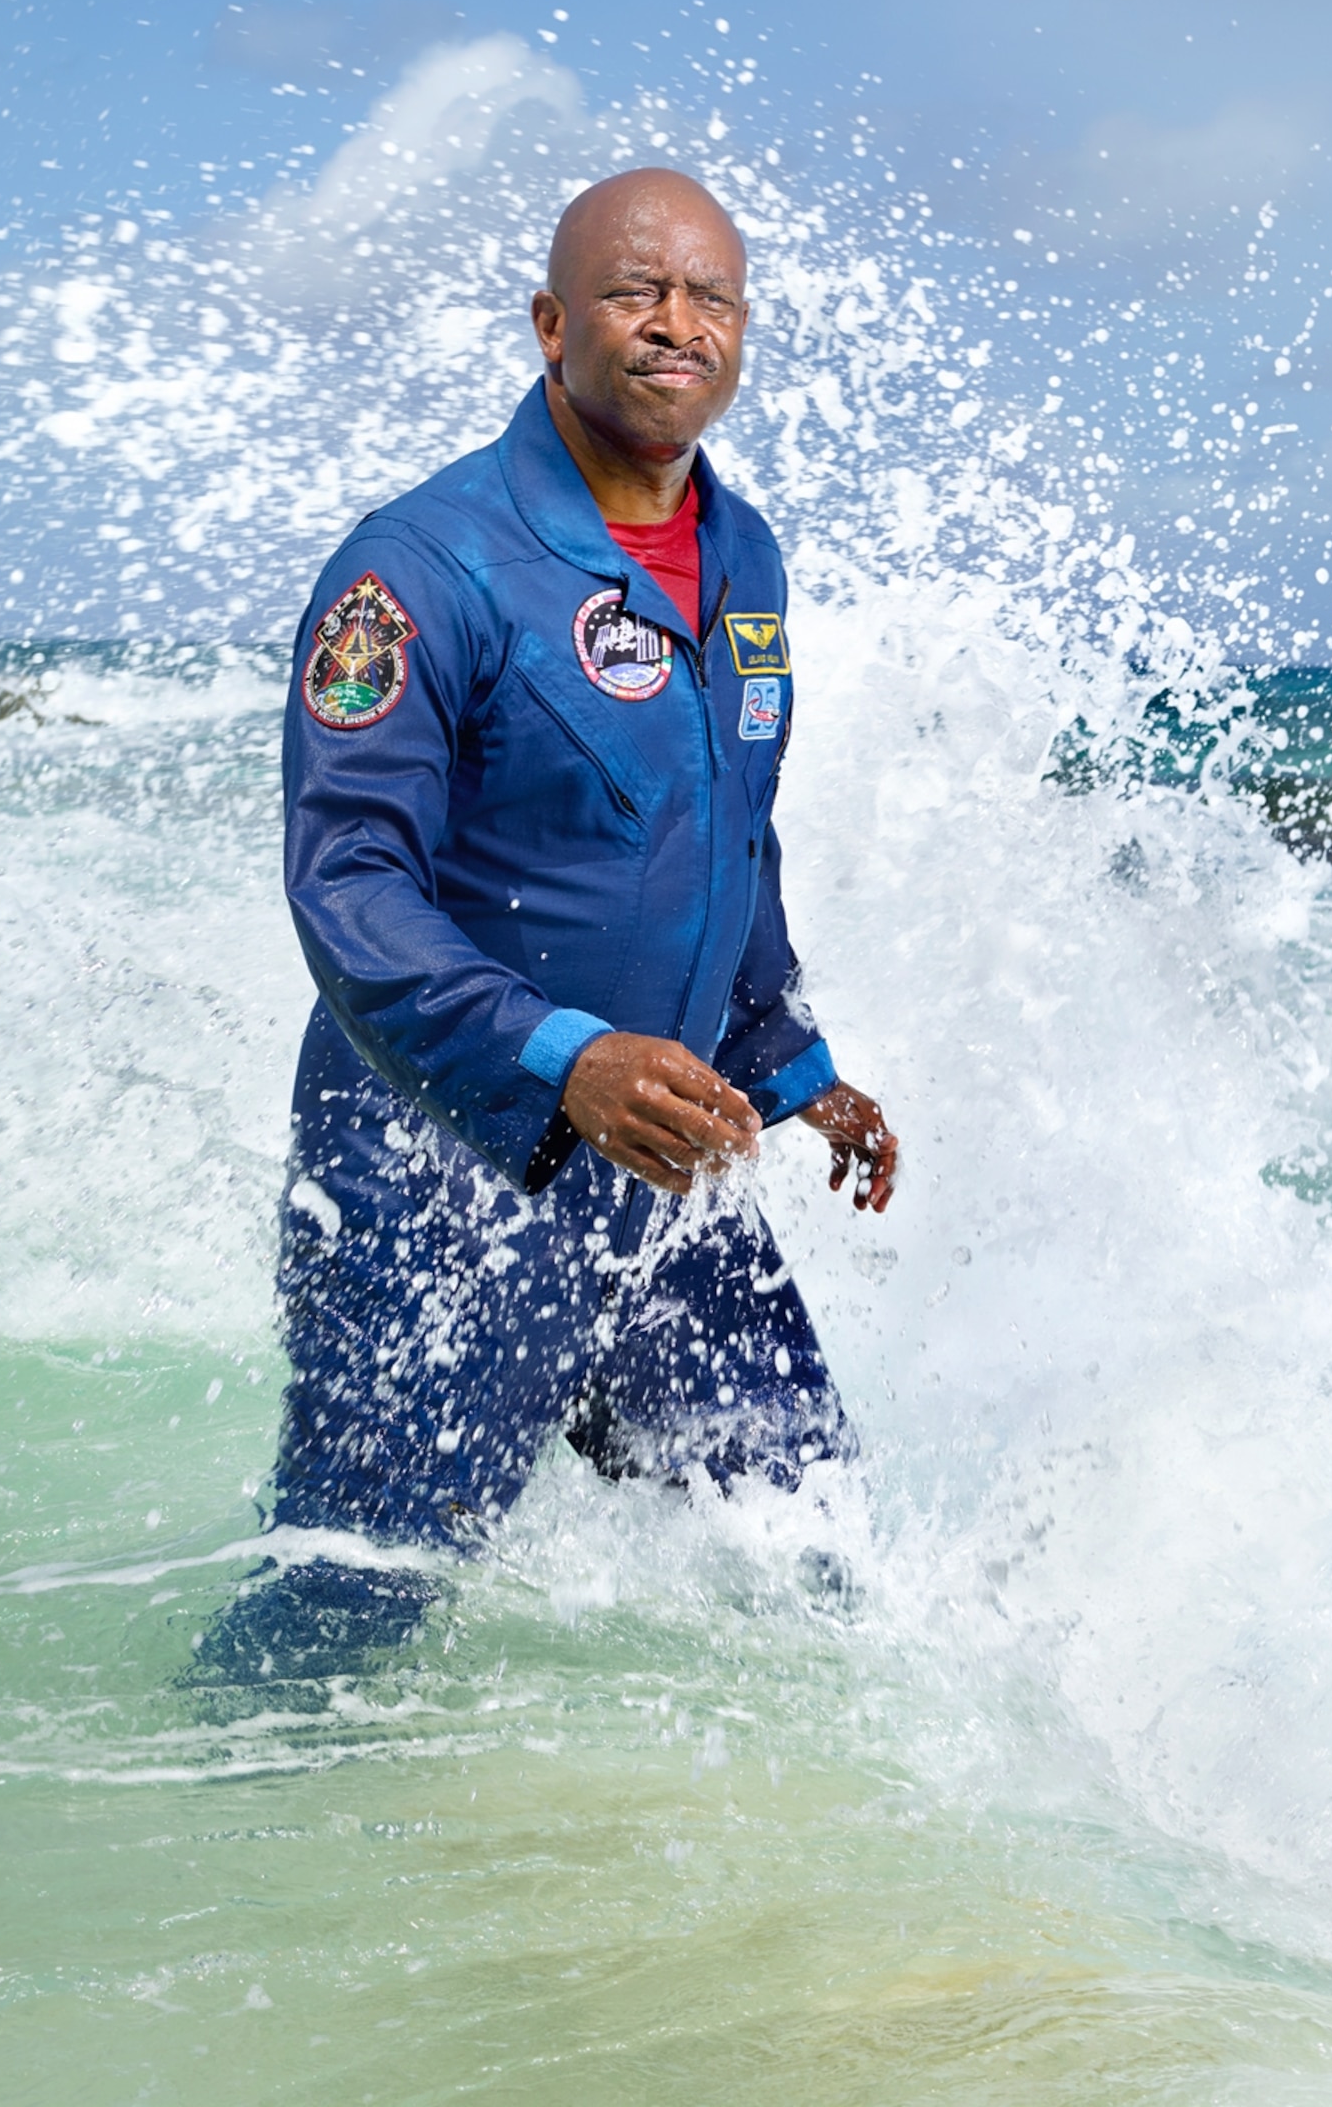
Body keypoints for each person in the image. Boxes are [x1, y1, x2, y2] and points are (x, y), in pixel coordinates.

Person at [189, 169, 897, 1687]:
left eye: (711, 296)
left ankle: (763, 1901)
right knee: (354, 1605)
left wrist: (790, 1067)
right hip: (433, 1183)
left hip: (664, 1174)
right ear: (551, 323)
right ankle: (231, 1863)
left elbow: (728, 836)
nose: (675, 324)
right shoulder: (419, 567)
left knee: (809, 1546)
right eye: (639, 291)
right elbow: (348, 884)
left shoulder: (746, 560)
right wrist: (562, 1062)